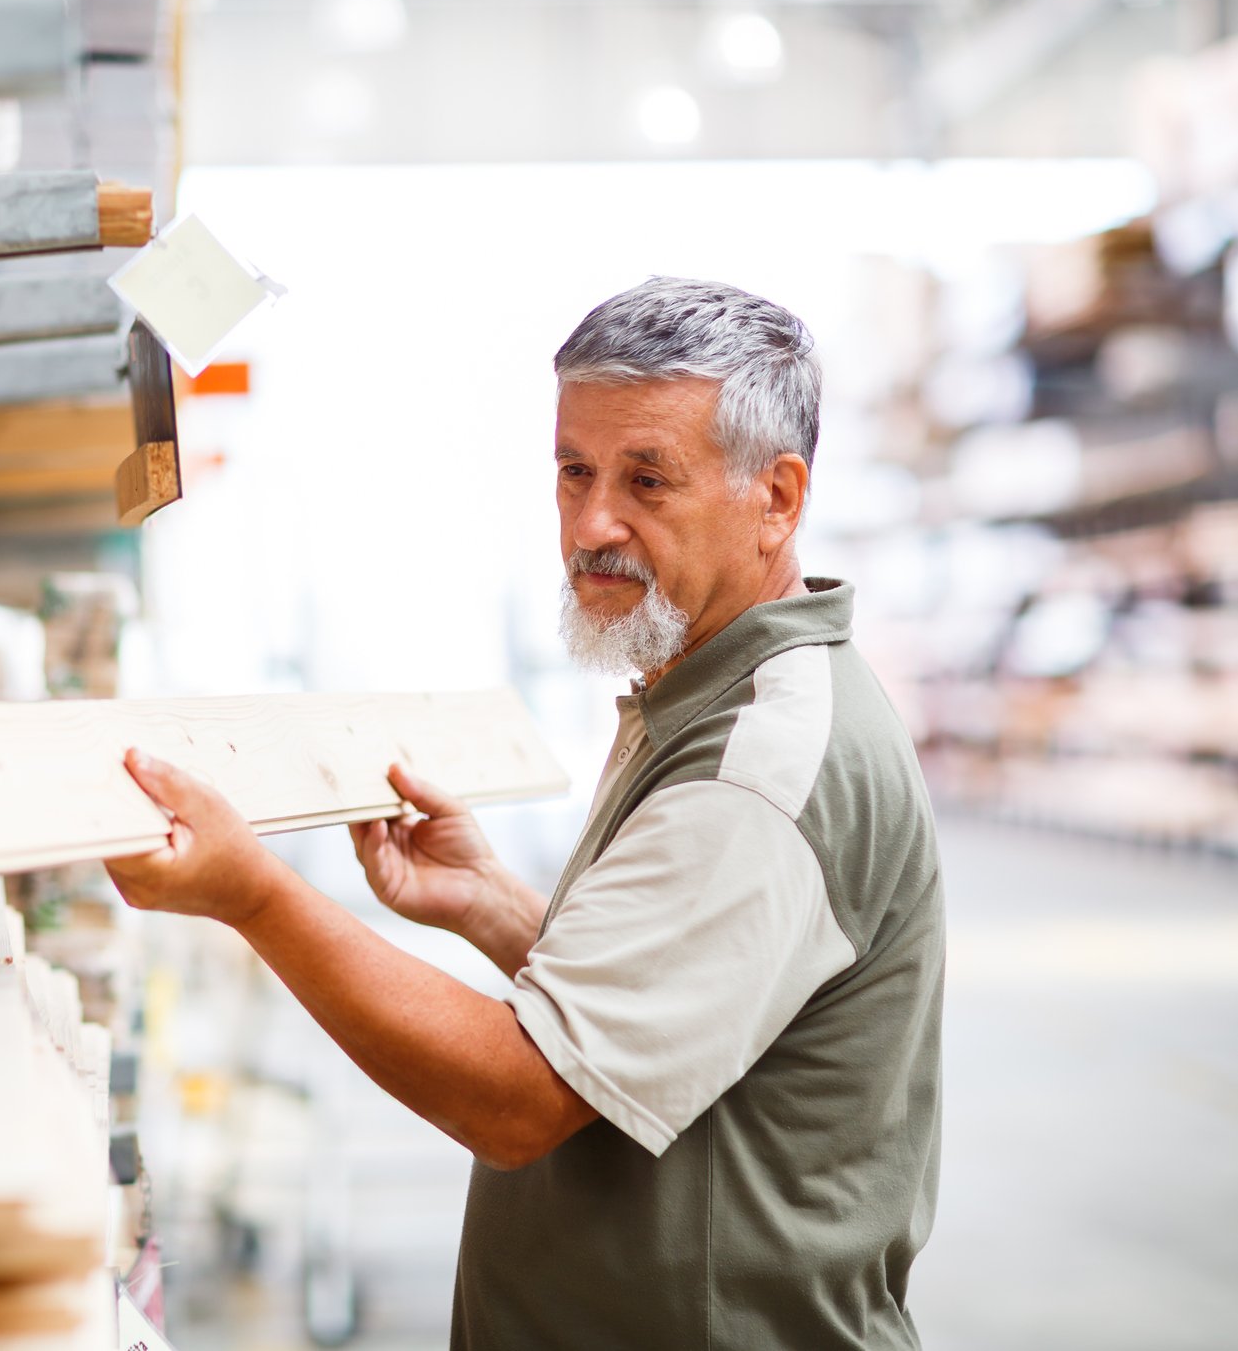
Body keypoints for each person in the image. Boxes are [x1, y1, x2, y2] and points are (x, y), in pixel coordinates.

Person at [104, 277, 943, 1350]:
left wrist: (253, 895)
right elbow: (666, 1009)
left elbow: (519, 1098)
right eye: (573, 471)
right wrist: (492, 903)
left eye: (648, 480)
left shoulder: (758, 766)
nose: (594, 523)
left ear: (777, 497)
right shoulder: (701, 687)